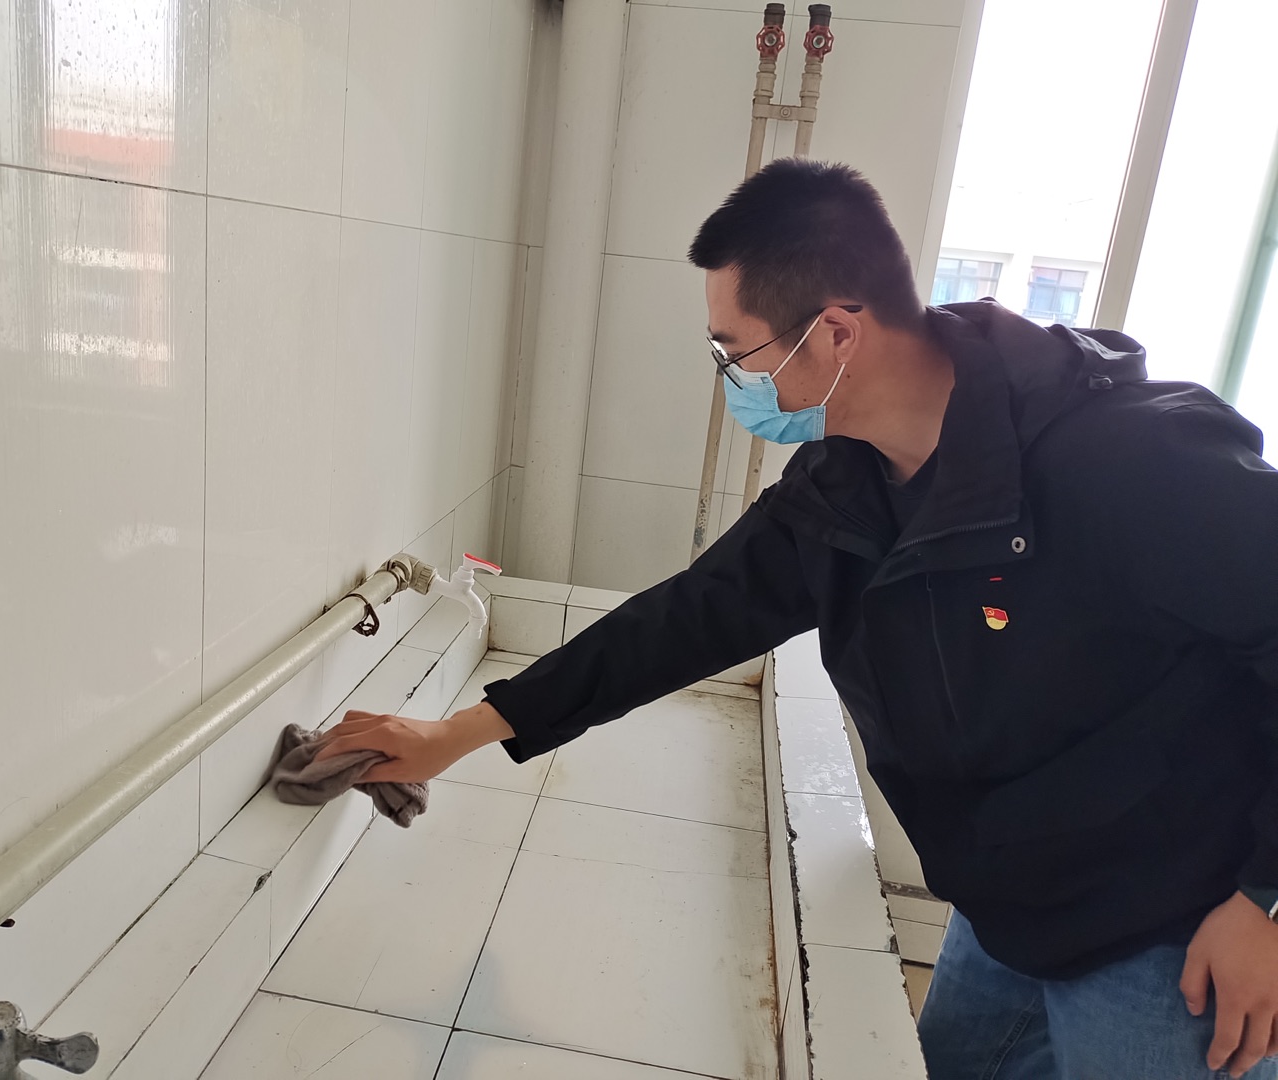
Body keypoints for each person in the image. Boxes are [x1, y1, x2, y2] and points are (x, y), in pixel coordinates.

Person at [318, 159, 1278, 1080]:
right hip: (1013, 908)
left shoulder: (1127, 457)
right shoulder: (845, 486)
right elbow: (682, 620)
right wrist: (457, 733)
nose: (732, 376)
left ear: (837, 334)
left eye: (736, 351)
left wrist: (1262, 900)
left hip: (1180, 932)